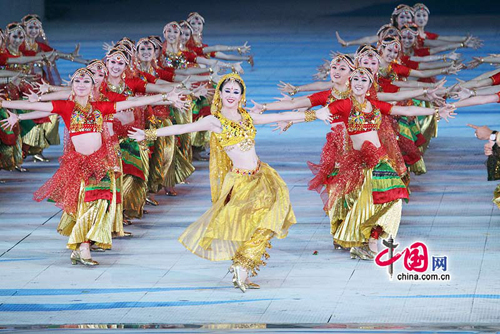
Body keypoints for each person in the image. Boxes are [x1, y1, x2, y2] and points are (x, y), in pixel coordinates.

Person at [128, 73, 332, 291]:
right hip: (242, 181)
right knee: (257, 223)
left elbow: (279, 116)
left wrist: (315, 115)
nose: (232, 95)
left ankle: (241, 269)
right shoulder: (214, 121)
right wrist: (149, 134)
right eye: (228, 91)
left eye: (236, 91)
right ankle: (242, 266)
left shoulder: (247, 117)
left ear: (242, 95)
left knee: (268, 220)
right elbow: (180, 129)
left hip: (262, 176)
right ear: (220, 94)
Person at [1, 68, 184, 266]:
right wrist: (6, 105)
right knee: (86, 204)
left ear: (92, 86)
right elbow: (40, 107)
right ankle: (83, 247)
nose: (81, 84)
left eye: (86, 81)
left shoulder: (101, 107)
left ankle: (83, 245)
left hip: (101, 162)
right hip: (78, 163)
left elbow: (133, 101)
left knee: (101, 203)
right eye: (77, 81)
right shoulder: (66, 106)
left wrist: (165, 96)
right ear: (72, 86)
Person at [308, 67, 456, 260]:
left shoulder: (375, 105)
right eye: (355, 80)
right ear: (350, 83)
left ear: (370, 85)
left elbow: (405, 109)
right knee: (367, 204)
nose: (359, 83)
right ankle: (365, 242)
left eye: (364, 80)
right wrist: (293, 119)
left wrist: (435, 111)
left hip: (380, 160)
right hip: (360, 163)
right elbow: (319, 112)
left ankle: (371, 239)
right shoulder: (344, 104)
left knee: (394, 198)